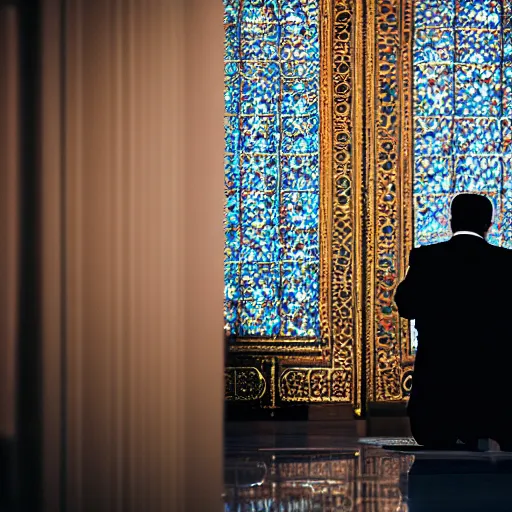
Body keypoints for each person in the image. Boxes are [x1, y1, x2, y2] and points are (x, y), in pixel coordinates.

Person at [395, 193, 512, 450]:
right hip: (492, 396)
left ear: (452, 222)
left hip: (436, 398)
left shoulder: (426, 258)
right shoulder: (506, 263)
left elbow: (405, 305)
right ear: (488, 224)